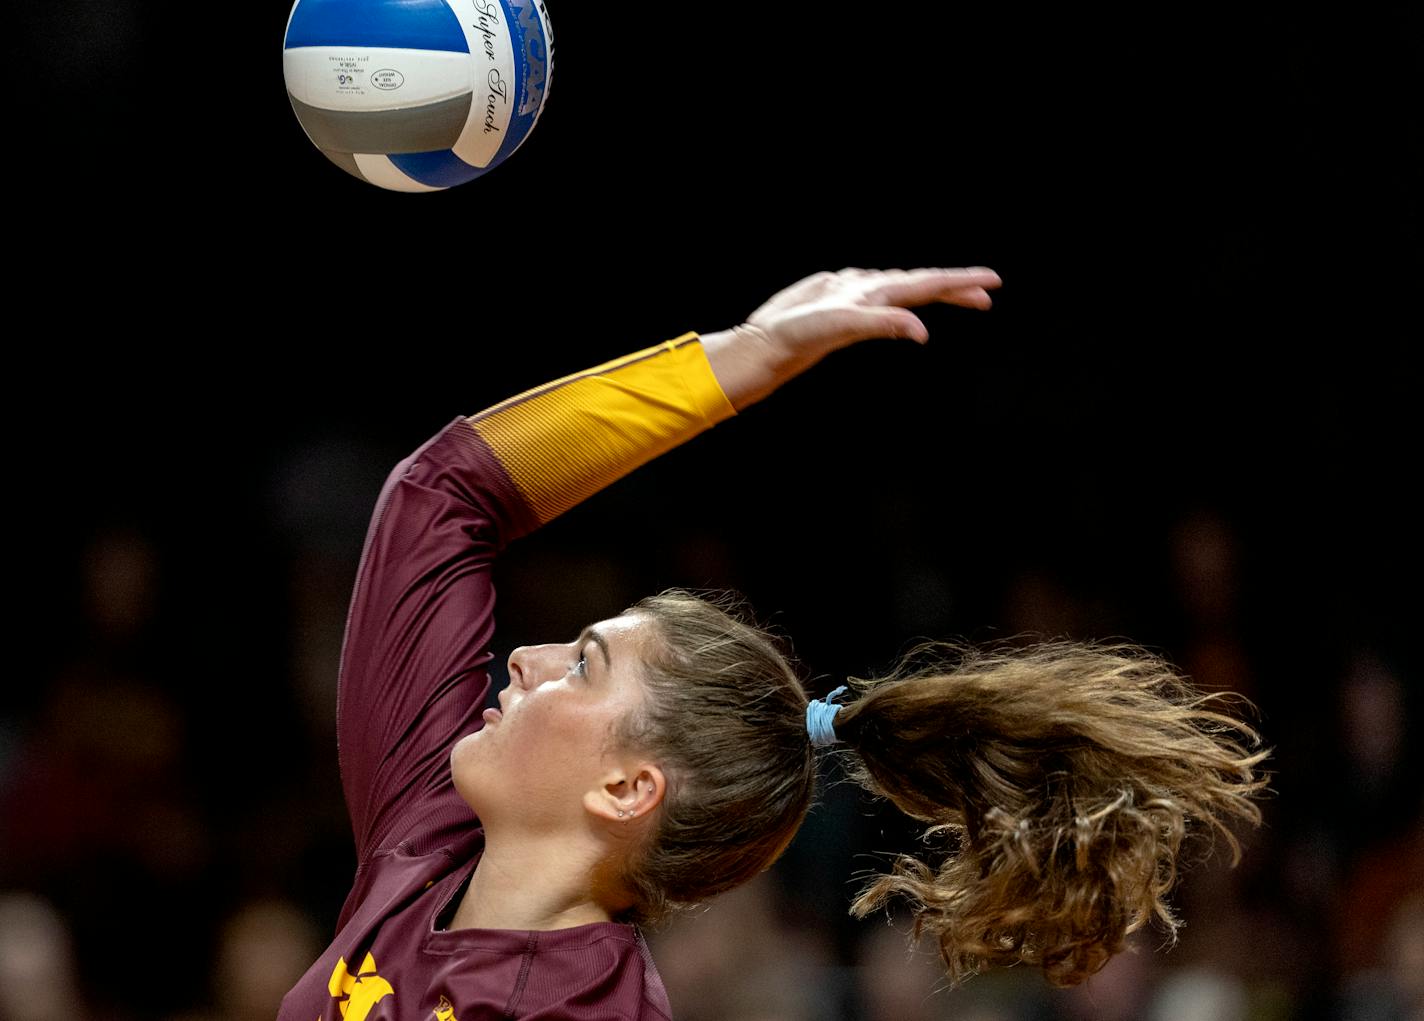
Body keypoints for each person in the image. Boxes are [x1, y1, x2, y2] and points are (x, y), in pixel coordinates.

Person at [278, 266, 1269, 1021]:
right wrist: (743, 353)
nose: (523, 660)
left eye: (582, 662)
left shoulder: (588, 1005)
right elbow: (440, 494)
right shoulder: (426, 835)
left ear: (627, 787)